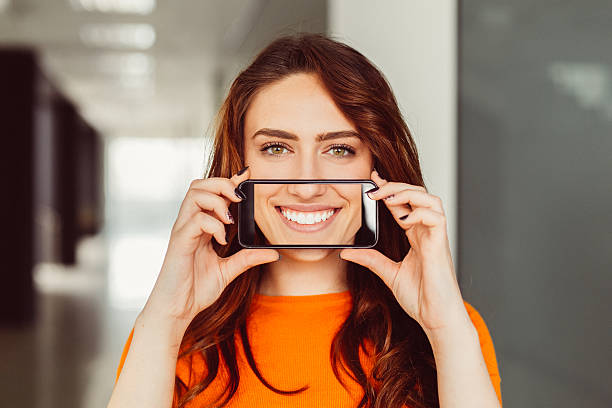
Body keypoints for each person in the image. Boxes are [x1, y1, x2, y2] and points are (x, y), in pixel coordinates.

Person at [107, 32, 502, 408]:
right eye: (276, 148)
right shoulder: (172, 331)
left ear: (376, 165)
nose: (307, 185)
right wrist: (167, 317)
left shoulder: (451, 327)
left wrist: (445, 327)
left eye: (340, 149)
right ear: (238, 165)